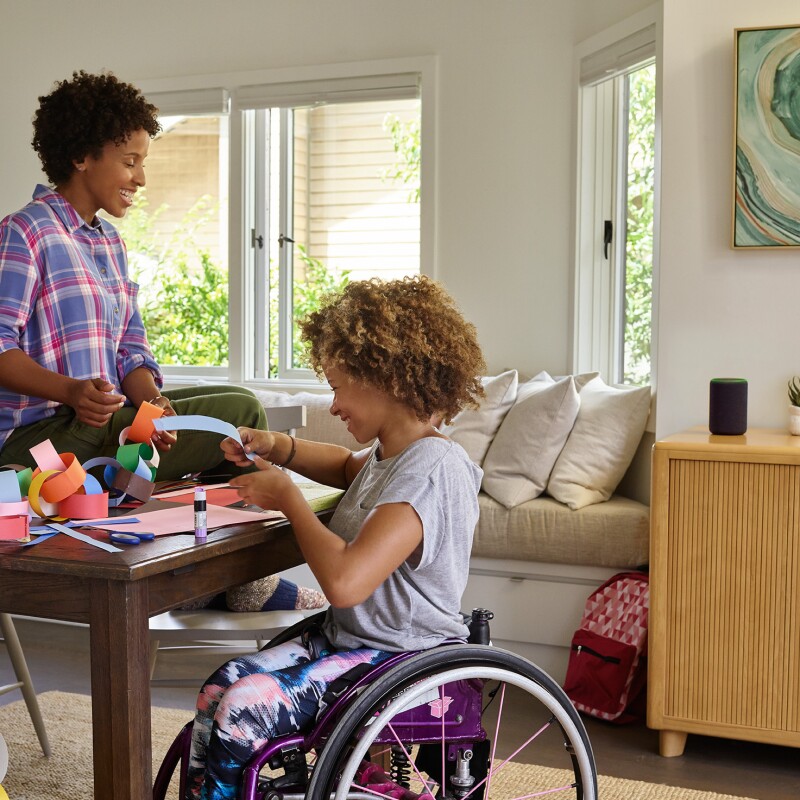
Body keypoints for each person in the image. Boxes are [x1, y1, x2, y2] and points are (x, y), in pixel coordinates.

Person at [184, 275, 486, 799]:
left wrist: (288, 498)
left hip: (399, 657)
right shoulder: (393, 454)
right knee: (218, 689)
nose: (334, 405)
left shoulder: (434, 467)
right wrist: (277, 446)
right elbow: (348, 469)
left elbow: (347, 582)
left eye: (337, 386)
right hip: (349, 643)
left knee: (242, 709)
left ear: (386, 377)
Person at [0, 70, 267, 482]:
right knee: (240, 416)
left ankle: (181, 511)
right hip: (35, 443)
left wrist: (154, 403)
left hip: (98, 426)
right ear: (81, 157)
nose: (140, 179)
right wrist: (71, 391)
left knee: (240, 401)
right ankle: (127, 487)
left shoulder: (110, 243)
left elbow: (129, 347)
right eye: (130, 162)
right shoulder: (26, 231)